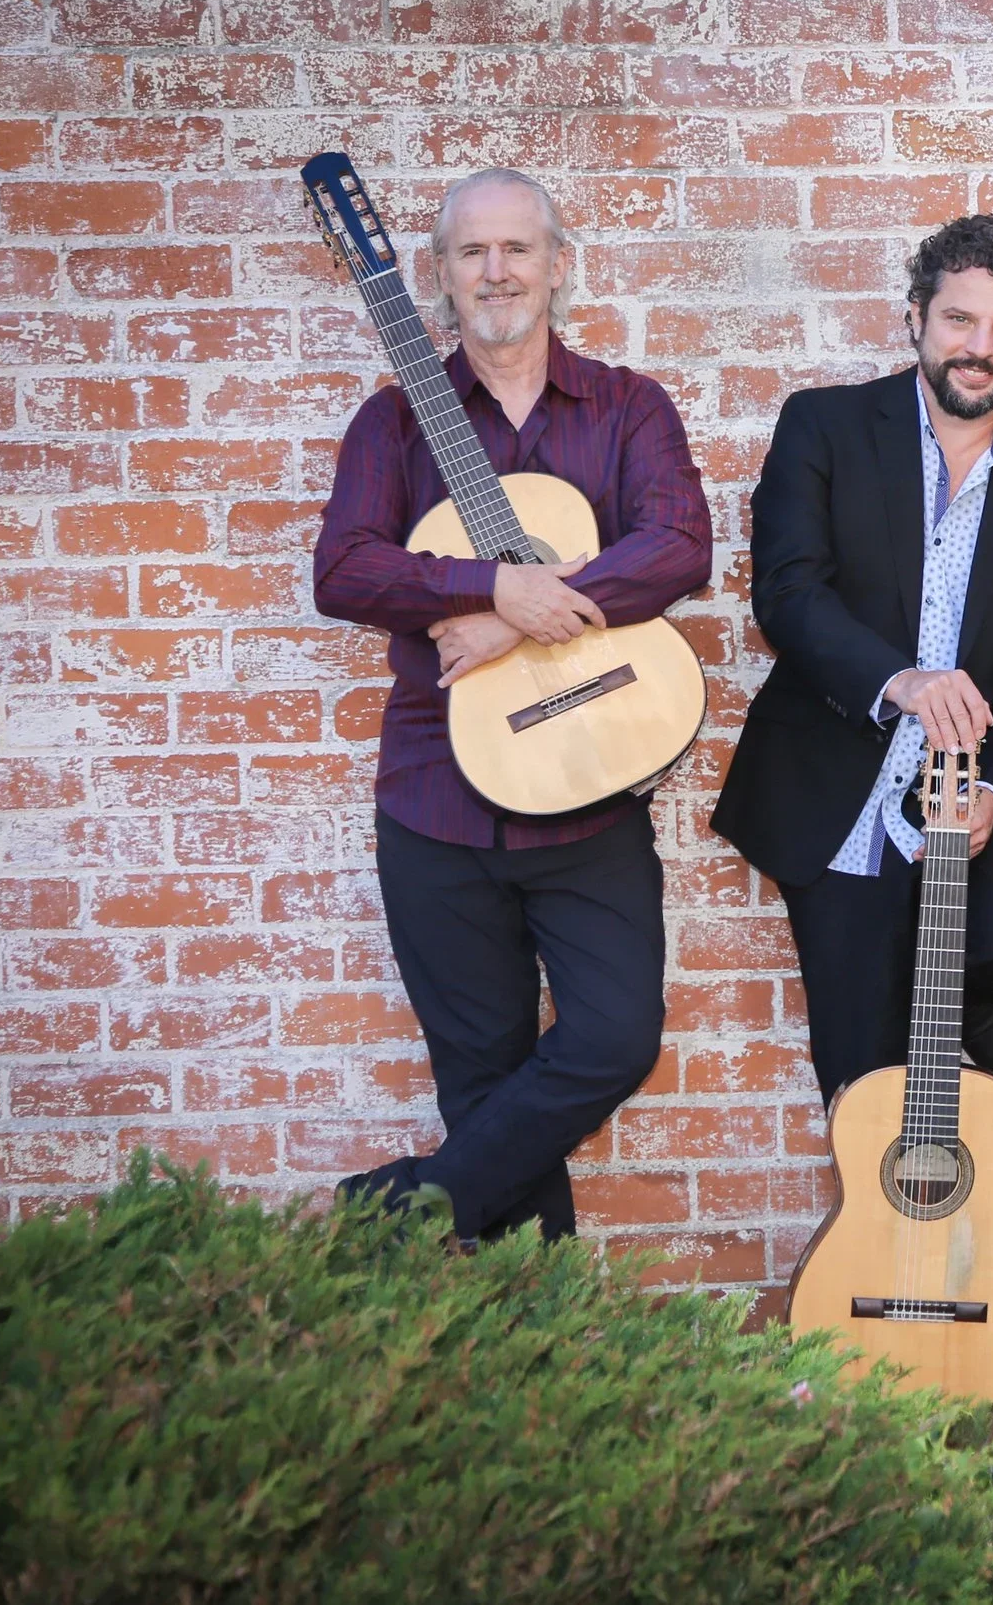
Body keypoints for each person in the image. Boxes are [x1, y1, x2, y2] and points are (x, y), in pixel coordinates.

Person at [315, 167, 712, 1242]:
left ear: (558, 264)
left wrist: (528, 610)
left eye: (517, 249)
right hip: (437, 802)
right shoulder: (392, 421)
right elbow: (343, 569)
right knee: (483, 1085)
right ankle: (534, 1344)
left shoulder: (629, 406)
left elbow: (679, 544)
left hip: (588, 788)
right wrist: (488, 585)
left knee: (614, 1038)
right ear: (435, 276)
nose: (497, 272)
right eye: (471, 253)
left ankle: (398, 1209)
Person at [711, 214, 993, 1105]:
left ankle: (966, 1005)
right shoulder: (824, 426)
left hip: (972, 786)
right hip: (838, 784)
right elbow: (789, 592)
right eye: (960, 320)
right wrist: (902, 680)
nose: (981, 347)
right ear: (917, 317)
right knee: (862, 1085)